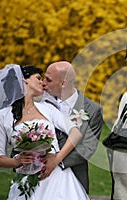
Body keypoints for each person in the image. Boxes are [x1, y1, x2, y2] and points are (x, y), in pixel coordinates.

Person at [0, 64, 89, 199]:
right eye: (38, 78)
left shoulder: (48, 108)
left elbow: (75, 132)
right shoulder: (2, 116)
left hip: (57, 178)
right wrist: (17, 161)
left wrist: (57, 158)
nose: (42, 83)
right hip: (26, 180)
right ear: (24, 81)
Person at [42, 61, 103, 194]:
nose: (43, 83)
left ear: (63, 83)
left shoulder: (92, 110)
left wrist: (58, 162)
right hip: (41, 173)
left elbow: (88, 148)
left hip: (74, 175)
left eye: (48, 79)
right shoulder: (41, 103)